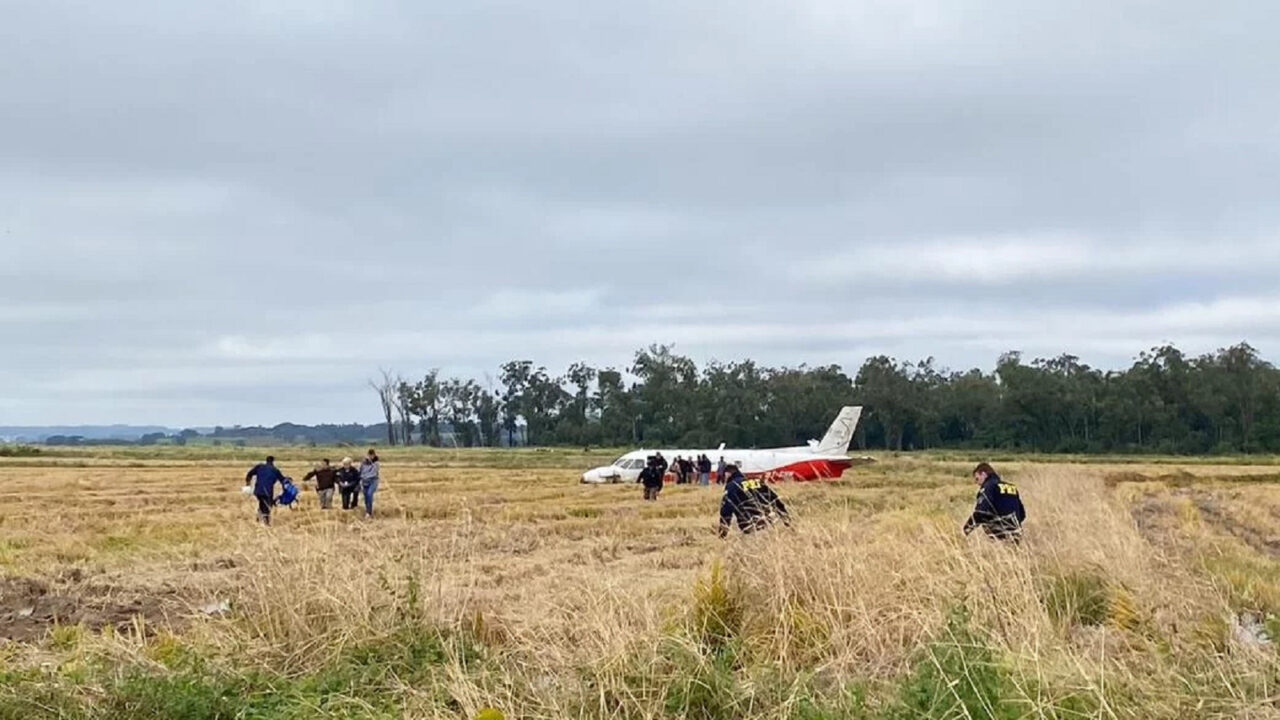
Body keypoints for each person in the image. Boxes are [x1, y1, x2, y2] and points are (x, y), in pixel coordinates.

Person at [717, 461, 790, 537]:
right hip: (766, 522)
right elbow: (774, 499)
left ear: (728, 473)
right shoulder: (756, 481)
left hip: (747, 525)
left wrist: (723, 534)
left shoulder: (732, 485)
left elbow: (726, 510)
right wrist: (785, 519)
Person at [962, 462, 1026, 542]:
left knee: (985, 518)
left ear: (984, 474)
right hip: (1016, 533)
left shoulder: (988, 487)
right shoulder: (1012, 487)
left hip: (999, 536)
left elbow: (980, 512)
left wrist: (966, 529)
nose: (977, 483)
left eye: (977, 478)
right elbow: (1022, 514)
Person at [244, 456, 286, 526]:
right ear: (273, 462)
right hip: (267, 492)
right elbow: (283, 480)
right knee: (267, 506)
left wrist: (248, 483)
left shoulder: (259, 467)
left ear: (266, 461)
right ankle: (266, 523)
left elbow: (249, 474)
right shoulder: (275, 470)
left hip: (258, 491)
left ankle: (258, 519)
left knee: (261, 503)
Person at [359, 448, 380, 518]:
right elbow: (360, 470)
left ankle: (369, 512)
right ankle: (367, 509)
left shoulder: (376, 463)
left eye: (372, 455)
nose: (371, 457)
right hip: (364, 481)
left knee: (369, 494)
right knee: (365, 497)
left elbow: (374, 471)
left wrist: (371, 462)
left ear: (374, 455)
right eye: (369, 455)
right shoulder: (363, 463)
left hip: (372, 481)